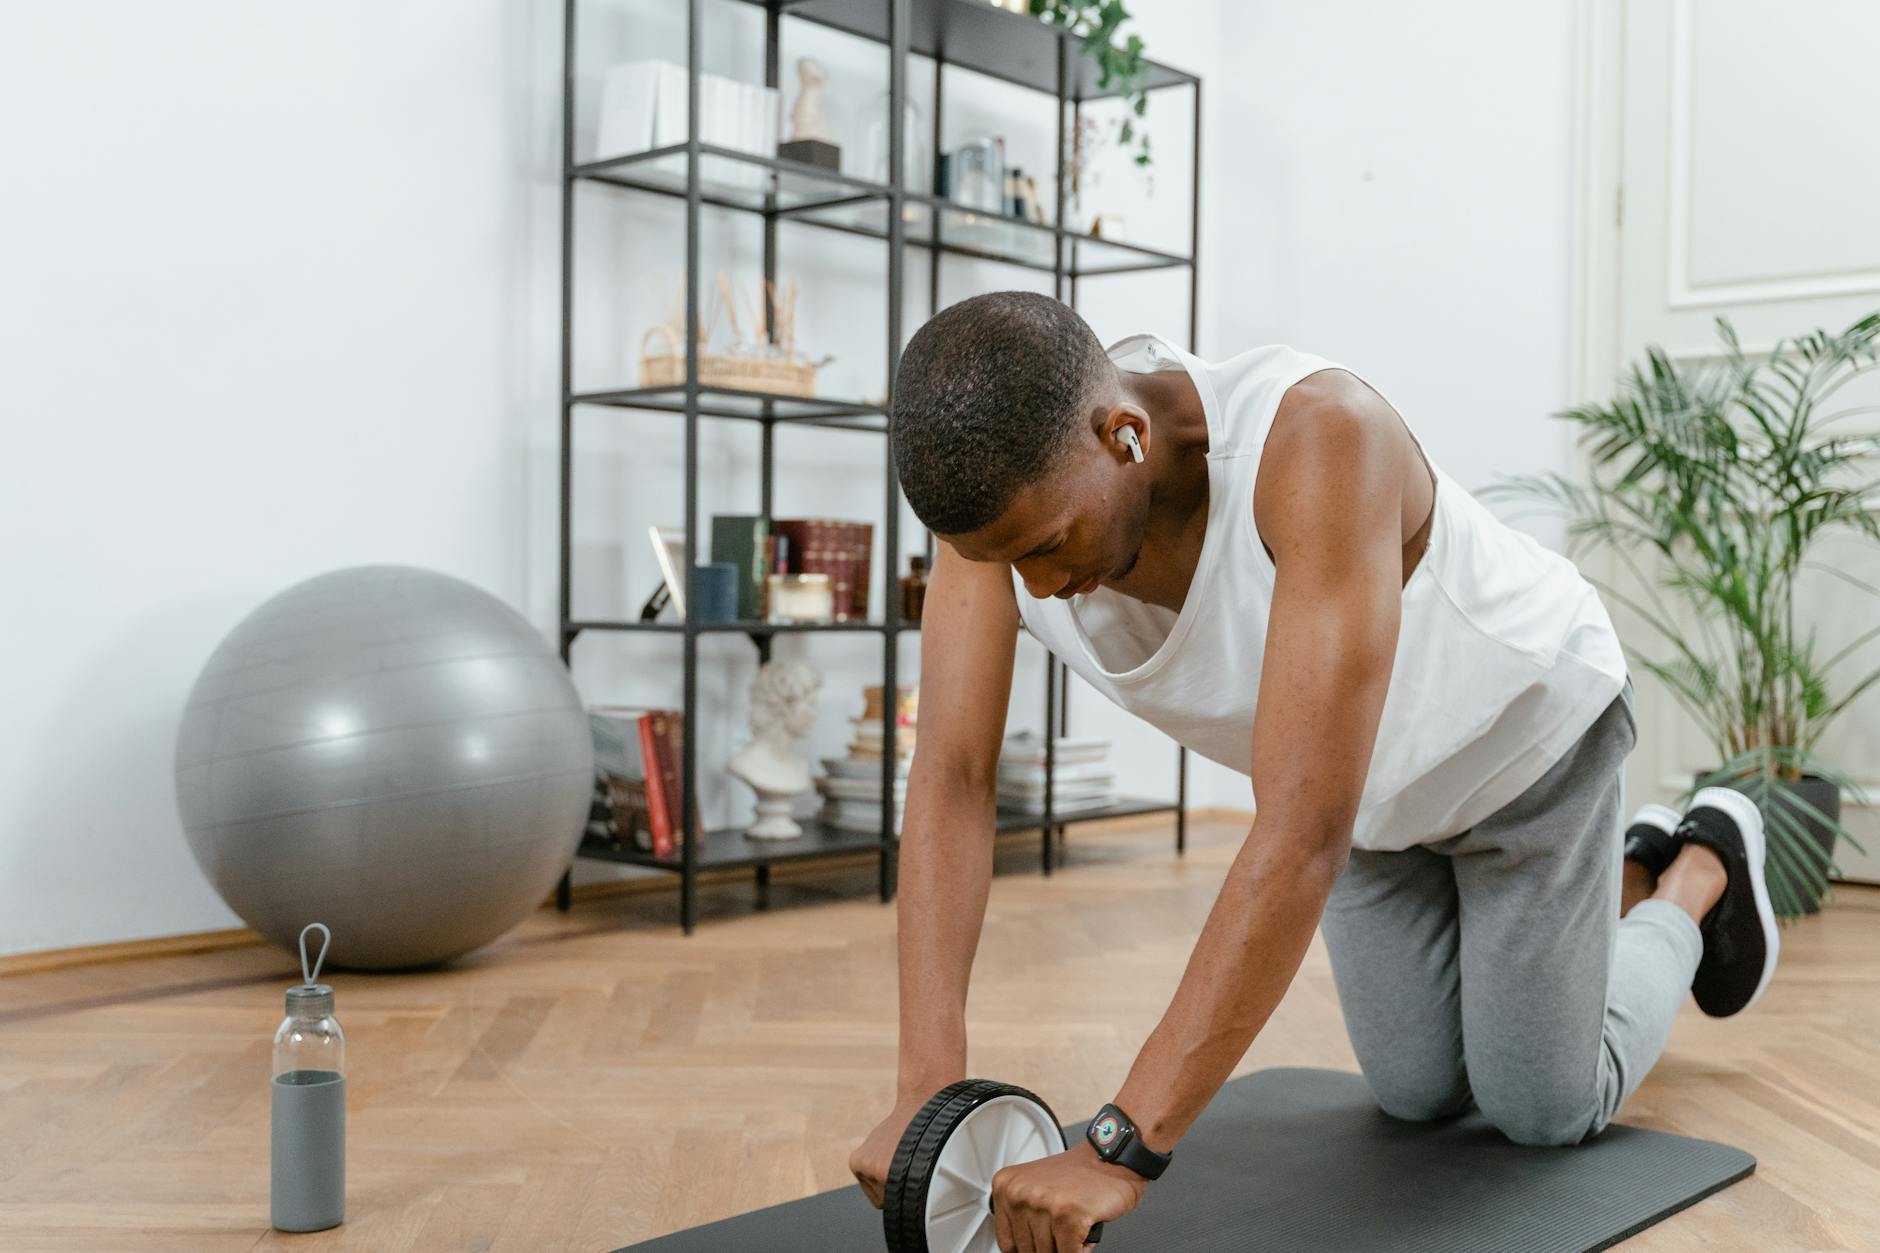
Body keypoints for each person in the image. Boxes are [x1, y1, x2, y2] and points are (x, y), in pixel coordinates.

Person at [846, 292, 1779, 1253]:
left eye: (1047, 549)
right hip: (1371, 796)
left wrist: (1118, 1145)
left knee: (1541, 1109)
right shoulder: (1002, 520)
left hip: (1526, 750)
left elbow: (1297, 836)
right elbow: (952, 777)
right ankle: (1600, 897)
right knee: (1417, 1093)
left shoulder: (1320, 441)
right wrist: (927, 1089)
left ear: (1122, 435)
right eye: (1001, 562)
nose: (1037, 588)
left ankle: (1695, 870)